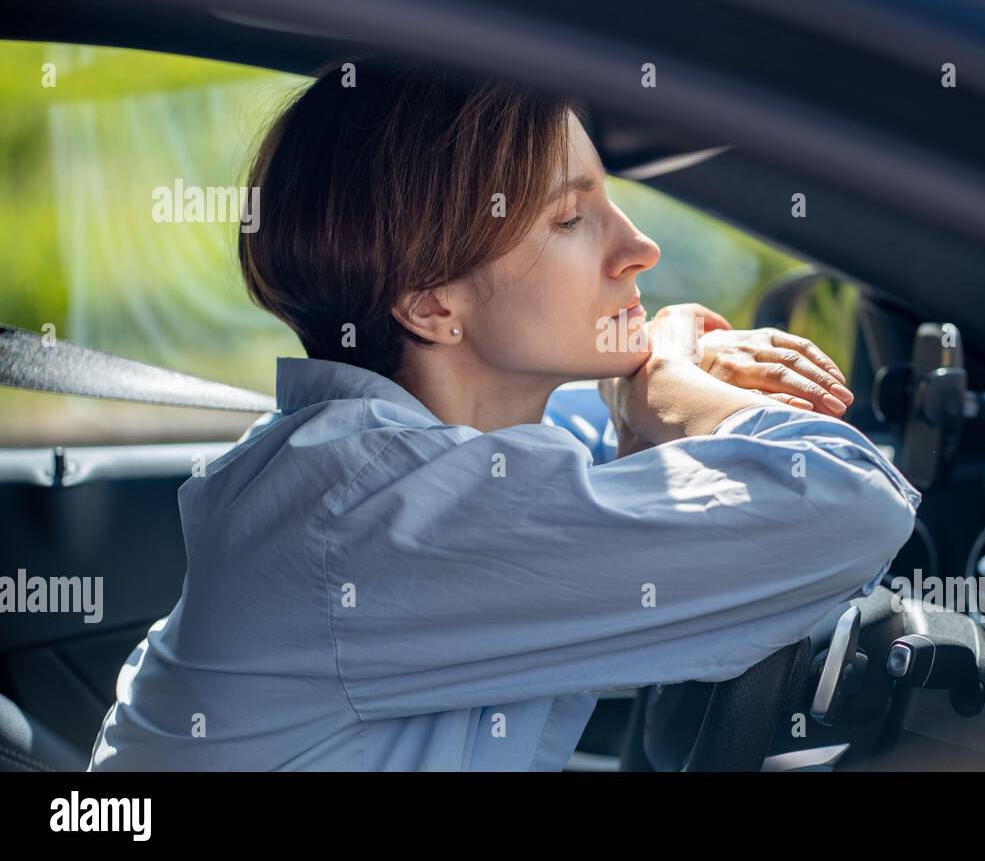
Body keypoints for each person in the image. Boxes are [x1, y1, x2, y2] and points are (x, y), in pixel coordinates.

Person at [89, 59, 920, 771]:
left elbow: (591, 458)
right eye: (570, 218)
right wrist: (656, 383)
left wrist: (648, 381)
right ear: (430, 303)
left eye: (612, 202)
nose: (639, 248)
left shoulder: (434, 456)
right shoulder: (380, 513)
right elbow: (853, 506)